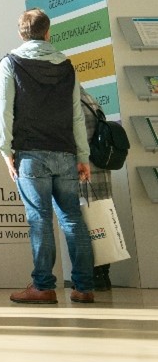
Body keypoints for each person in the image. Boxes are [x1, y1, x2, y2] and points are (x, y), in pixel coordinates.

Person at [0, 8, 94, 305]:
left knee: (39, 219)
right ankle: (84, 286)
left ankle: (43, 286)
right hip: (65, 151)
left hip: (30, 154)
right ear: (48, 32)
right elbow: (76, 114)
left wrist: (4, 150)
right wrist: (83, 155)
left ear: (21, 33)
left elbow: (4, 110)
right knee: (73, 219)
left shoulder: (10, 63)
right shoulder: (67, 66)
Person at [80, 89, 114, 291]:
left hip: (85, 171)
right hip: (101, 170)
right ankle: (103, 275)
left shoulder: (72, 103)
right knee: (102, 224)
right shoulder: (90, 99)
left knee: (88, 226)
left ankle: (93, 276)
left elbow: (79, 139)